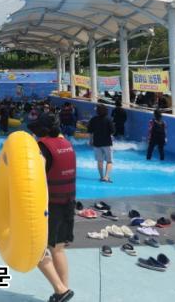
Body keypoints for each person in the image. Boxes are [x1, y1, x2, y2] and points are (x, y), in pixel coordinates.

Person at [29, 112, 76, 302]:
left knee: (34, 249)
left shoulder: (43, 147)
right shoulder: (67, 144)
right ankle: (63, 291)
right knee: (58, 249)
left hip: (51, 206)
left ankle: (60, 290)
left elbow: (35, 176)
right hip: (68, 202)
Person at [87, 104, 115, 183]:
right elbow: (113, 131)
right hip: (107, 143)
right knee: (109, 161)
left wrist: (90, 140)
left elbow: (90, 131)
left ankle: (101, 177)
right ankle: (106, 176)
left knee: (100, 161)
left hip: (97, 143)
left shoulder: (93, 119)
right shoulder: (108, 119)